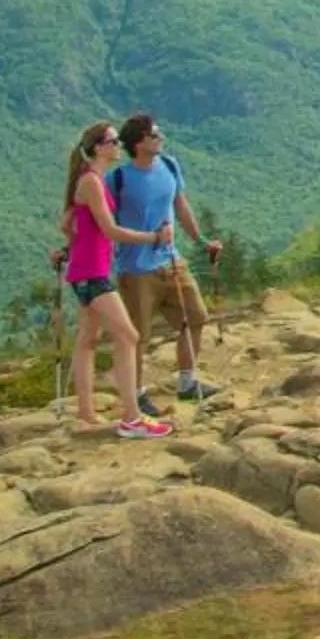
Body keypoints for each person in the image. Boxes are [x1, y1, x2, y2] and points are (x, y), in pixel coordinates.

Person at [61, 122, 172, 438]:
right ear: (99, 147)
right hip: (92, 274)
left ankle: (86, 411)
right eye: (112, 141)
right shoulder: (93, 183)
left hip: (85, 271)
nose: (118, 145)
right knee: (128, 337)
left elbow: (66, 221)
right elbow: (110, 230)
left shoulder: (89, 181)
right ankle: (132, 418)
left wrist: (71, 247)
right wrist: (154, 238)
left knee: (88, 341)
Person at [113, 112, 224, 414]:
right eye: (154, 135)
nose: (161, 138)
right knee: (137, 336)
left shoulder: (169, 166)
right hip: (136, 269)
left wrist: (201, 242)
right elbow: (101, 220)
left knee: (196, 317)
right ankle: (136, 395)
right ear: (139, 143)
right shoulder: (118, 179)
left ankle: (187, 382)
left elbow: (181, 206)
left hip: (171, 261)